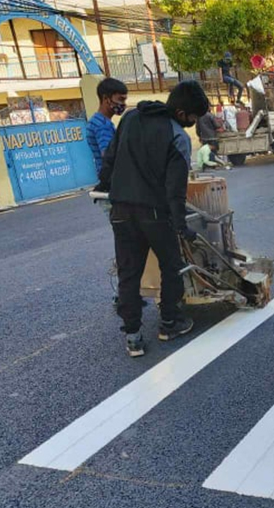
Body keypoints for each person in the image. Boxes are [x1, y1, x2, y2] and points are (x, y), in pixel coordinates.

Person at [97, 81, 210, 357]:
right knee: (171, 266)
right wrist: (182, 226)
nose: (193, 124)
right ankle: (169, 323)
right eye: (193, 118)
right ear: (181, 113)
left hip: (121, 211)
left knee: (128, 272)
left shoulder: (130, 118)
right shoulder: (178, 137)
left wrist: (105, 186)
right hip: (155, 214)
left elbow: (110, 157)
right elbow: (175, 190)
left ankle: (133, 337)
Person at [86, 77, 128, 173]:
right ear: (106, 98)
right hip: (111, 176)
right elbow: (108, 155)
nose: (123, 104)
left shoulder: (95, 120)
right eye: (120, 99)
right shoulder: (103, 125)